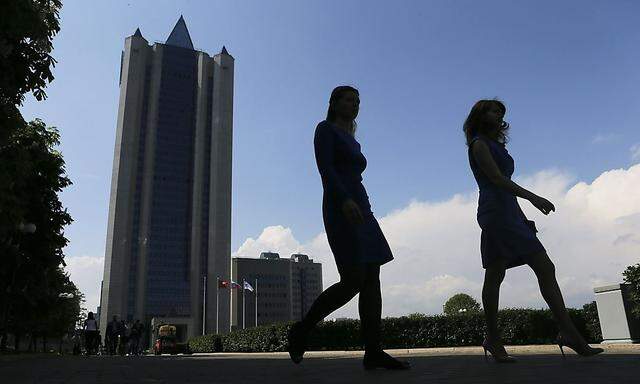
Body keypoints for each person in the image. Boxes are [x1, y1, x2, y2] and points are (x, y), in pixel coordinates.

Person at [464, 99, 604, 362]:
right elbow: (496, 180)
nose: (498, 114)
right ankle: (504, 337)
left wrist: (522, 216)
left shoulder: (496, 145)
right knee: (514, 270)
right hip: (495, 213)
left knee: (517, 270)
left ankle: (558, 333)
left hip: (508, 212)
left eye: (501, 112)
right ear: (480, 116)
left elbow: (505, 187)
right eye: (493, 110)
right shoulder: (479, 144)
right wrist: (533, 197)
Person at [287, 86, 409, 370]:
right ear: (333, 103)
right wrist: (344, 200)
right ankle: (302, 329)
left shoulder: (352, 138)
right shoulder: (325, 129)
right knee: (353, 278)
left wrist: (358, 203)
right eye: (348, 99)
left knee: (372, 278)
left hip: (363, 208)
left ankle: (374, 351)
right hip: (340, 207)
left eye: (358, 101)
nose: (354, 105)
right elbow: (326, 169)